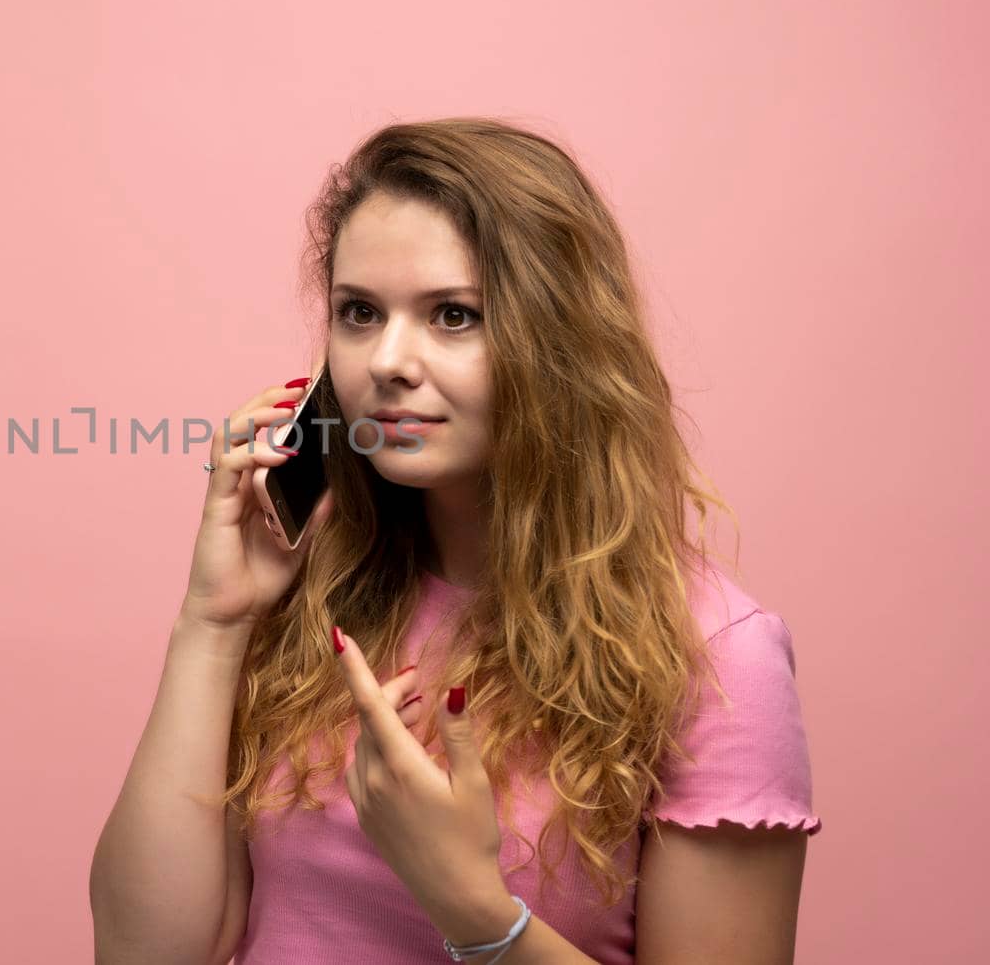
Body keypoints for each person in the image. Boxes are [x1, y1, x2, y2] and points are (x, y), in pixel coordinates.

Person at [90, 117, 821, 964]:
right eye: (360, 312)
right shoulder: (309, 588)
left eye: (453, 315)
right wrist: (213, 624)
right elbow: (143, 951)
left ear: (563, 342)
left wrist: (471, 906)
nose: (389, 359)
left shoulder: (718, 655)